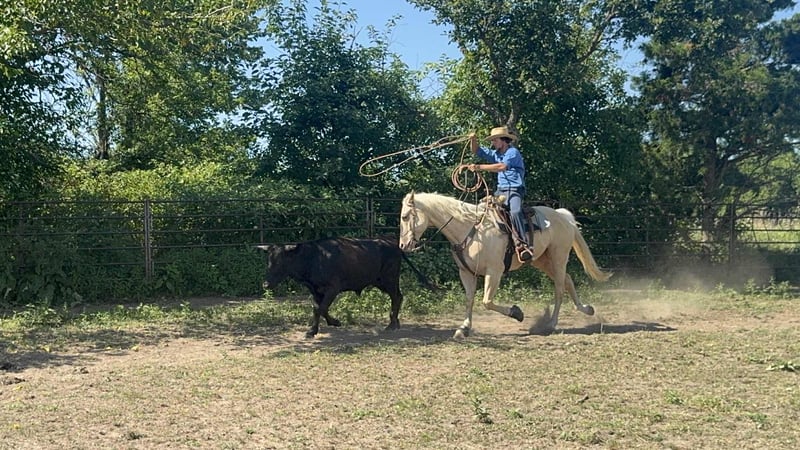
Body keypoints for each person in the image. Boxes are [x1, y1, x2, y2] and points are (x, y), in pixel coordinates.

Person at [468, 126, 534, 261]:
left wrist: (479, 167)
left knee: (515, 211)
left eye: (495, 140)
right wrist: (473, 140)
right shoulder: (495, 154)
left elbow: (502, 167)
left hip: (515, 190)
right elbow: (476, 150)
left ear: (503, 140)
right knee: (485, 210)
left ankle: (523, 243)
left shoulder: (512, 152)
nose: (493, 143)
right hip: (501, 191)